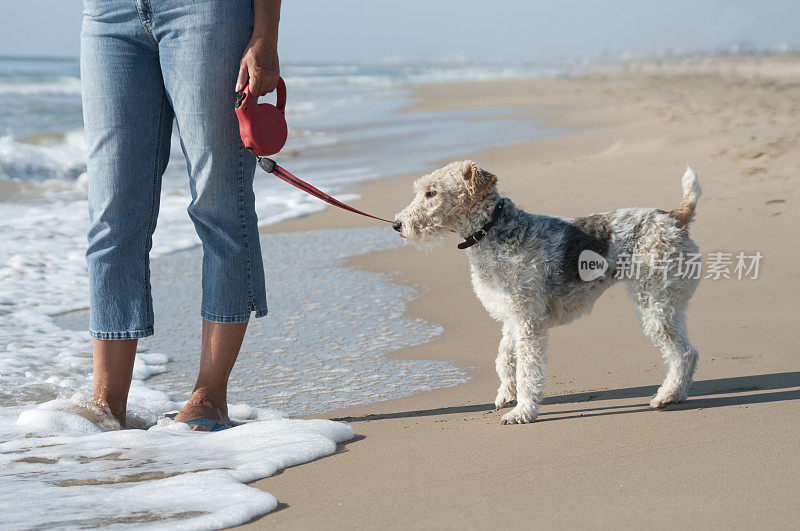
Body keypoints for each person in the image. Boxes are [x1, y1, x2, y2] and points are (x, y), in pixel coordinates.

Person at [80, 0, 281, 431]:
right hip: (107, 14)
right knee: (110, 216)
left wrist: (265, 33)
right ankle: (107, 406)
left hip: (206, 11)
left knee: (219, 201)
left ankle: (210, 397)